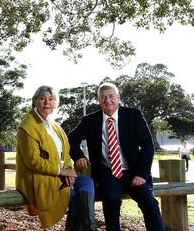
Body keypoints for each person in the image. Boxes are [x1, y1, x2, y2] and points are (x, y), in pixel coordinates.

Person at [67, 82, 165, 231]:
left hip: (135, 172)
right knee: (111, 199)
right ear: (99, 101)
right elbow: (71, 139)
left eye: (111, 96)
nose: (108, 100)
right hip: (108, 172)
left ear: (118, 97)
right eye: (103, 97)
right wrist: (79, 156)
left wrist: (142, 174)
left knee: (149, 201)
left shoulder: (133, 115)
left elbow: (147, 146)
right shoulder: (90, 121)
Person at [16, 86, 95, 230]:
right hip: (39, 176)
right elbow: (33, 161)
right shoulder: (27, 127)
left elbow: (65, 154)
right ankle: (88, 226)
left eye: (51, 99)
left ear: (55, 103)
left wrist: (69, 168)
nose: (47, 102)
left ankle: (87, 225)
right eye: (42, 98)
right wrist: (62, 172)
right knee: (75, 196)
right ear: (35, 101)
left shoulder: (55, 127)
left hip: (60, 174)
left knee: (86, 183)